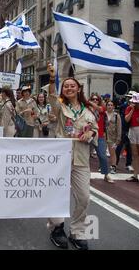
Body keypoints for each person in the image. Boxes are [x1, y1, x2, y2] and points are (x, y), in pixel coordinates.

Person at [46, 64, 98, 250]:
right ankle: (57, 227)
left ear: (78, 88)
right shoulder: (60, 107)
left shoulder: (88, 111)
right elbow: (52, 99)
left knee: (84, 198)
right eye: (66, 86)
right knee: (57, 195)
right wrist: (52, 79)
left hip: (81, 160)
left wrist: (90, 134)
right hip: (61, 158)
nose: (69, 88)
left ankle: (77, 232)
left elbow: (95, 129)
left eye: (72, 85)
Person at [89, 94, 114, 183]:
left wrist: (90, 103)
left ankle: (106, 175)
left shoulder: (102, 109)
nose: (95, 100)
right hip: (88, 135)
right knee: (85, 156)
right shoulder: (87, 110)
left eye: (96, 99)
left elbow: (99, 108)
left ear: (99, 101)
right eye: (93, 99)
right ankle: (86, 174)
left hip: (99, 136)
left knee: (102, 156)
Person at [125, 92, 139, 183]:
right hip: (132, 130)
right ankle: (135, 175)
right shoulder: (129, 108)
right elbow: (127, 119)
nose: (136, 104)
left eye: (138, 102)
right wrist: (132, 110)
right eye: (135, 102)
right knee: (135, 154)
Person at [116, 93, 134, 172]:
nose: (129, 99)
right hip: (123, 128)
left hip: (131, 128)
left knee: (129, 148)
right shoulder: (124, 106)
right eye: (128, 97)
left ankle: (128, 164)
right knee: (119, 146)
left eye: (130, 97)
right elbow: (122, 118)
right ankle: (115, 164)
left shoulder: (137, 107)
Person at [105, 100, 122, 174]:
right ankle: (103, 166)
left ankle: (113, 166)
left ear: (114, 106)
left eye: (111, 105)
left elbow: (119, 127)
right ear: (106, 106)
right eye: (108, 105)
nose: (110, 106)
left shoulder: (116, 115)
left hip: (113, 136)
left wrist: (118, 138)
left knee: (112, 152)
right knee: (102, 152)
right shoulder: (104, 114)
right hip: (104, 135)